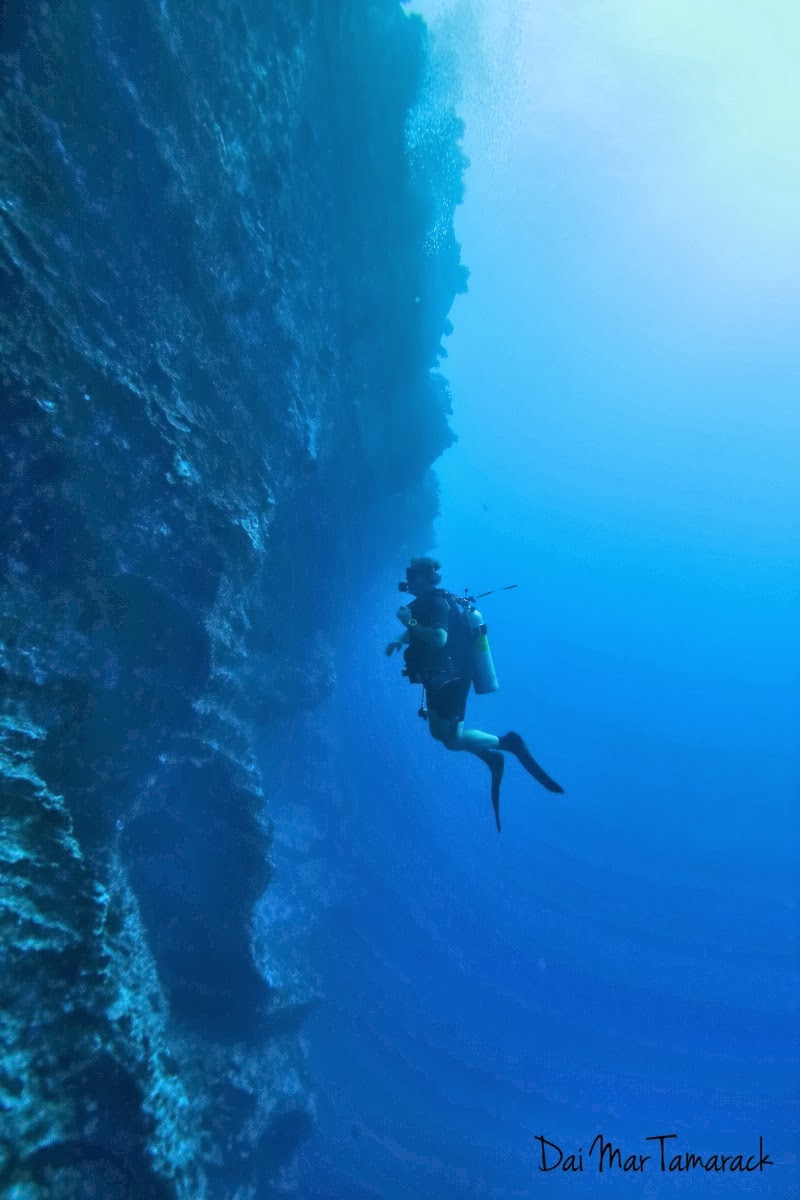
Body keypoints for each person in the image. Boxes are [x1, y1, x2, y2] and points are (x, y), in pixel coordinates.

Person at [386, 556, 564, 832]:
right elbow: (426, 628)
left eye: (412, 575)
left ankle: (507, 744)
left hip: (450, 678)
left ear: (423, 579)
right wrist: (400, 639)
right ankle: (491, 755)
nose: (408, 579)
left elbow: (439, 638)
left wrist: (408, 622)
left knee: (451, 738)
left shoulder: (435, 602)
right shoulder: (435, 601)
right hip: (444, 675)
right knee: (444, 736)